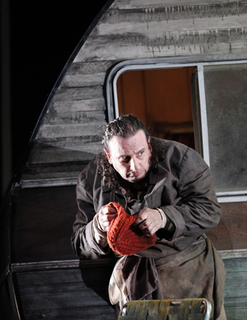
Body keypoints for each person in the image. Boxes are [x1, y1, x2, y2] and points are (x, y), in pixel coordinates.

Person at [71, 114, 226, 320]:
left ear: (149, 145)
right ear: (109, 156)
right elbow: (79, 243)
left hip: (189, 269)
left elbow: (210, 211)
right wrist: (97, 227)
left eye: (140, 153)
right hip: (132, 280)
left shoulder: (182, 159)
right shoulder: (91, 178)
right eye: (124, 159)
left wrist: (164, 217)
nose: (134, 166)